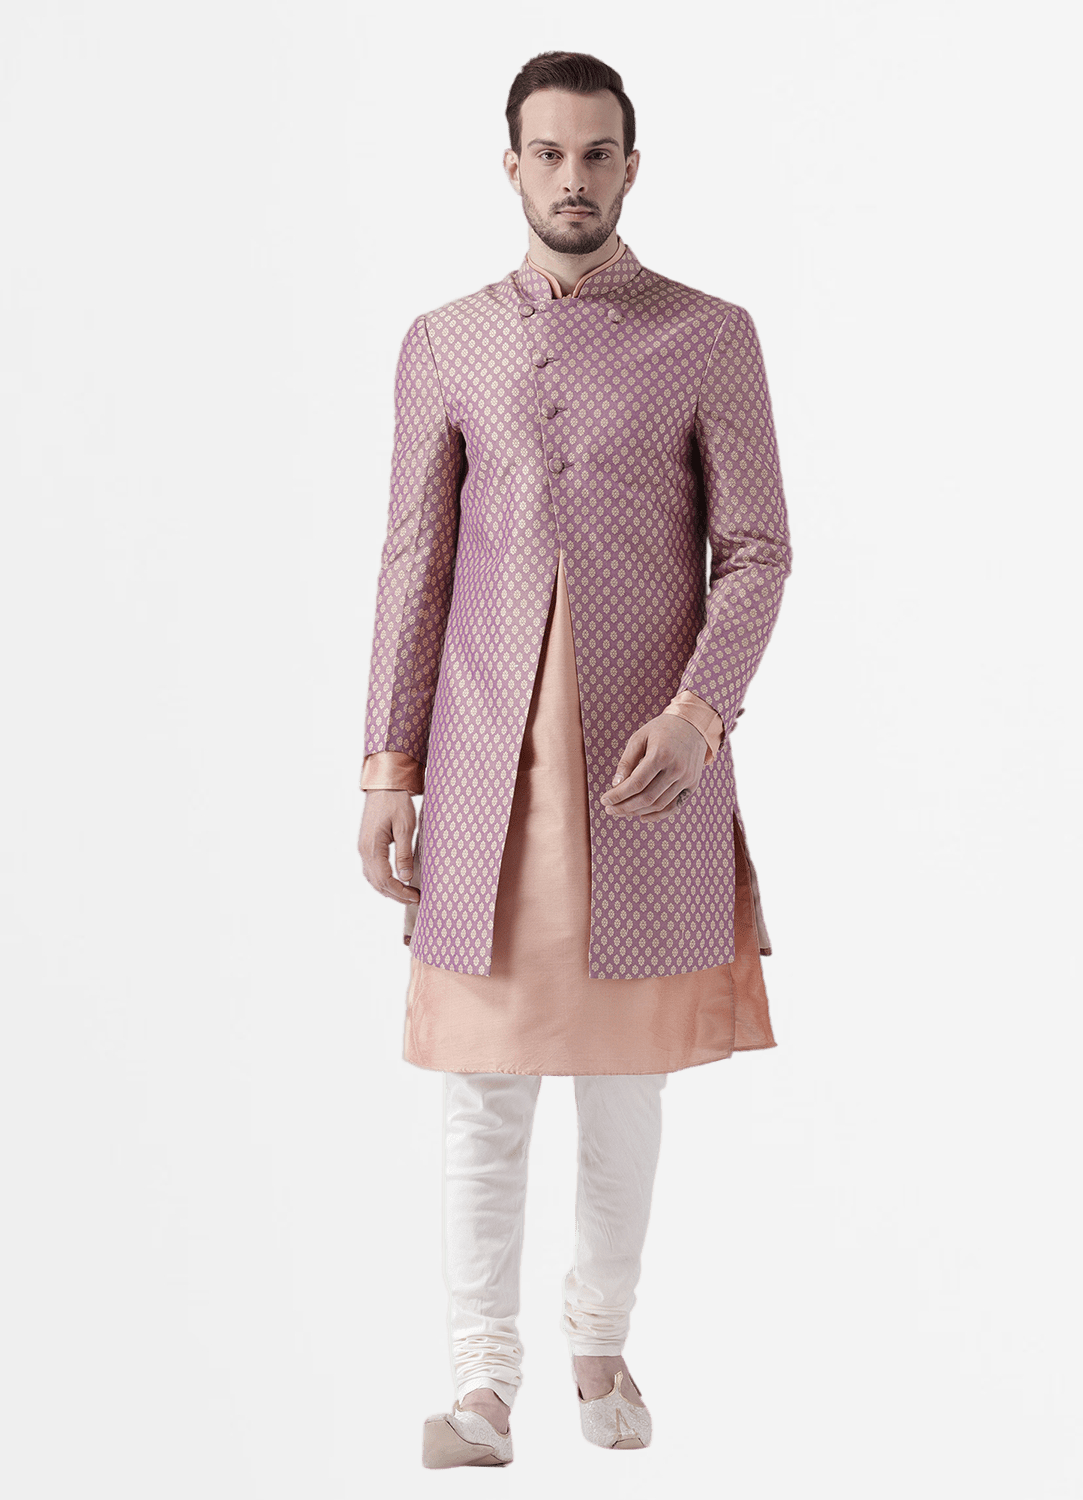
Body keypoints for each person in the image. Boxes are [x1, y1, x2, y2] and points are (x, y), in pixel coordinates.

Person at [357, 50, 792, 1467]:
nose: (573, 179)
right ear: (510, 167)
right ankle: (481, 1382)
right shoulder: (445, 343)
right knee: (480, 1079)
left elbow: (757, 549)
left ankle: (600, 1341)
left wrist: (701, 712)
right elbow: (414, 562)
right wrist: (387, 770)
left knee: (621, 1079)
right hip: (487, 765)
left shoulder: (707, 335)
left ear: (631, 165)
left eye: (597, 153)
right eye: (547, 154)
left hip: (645, 771)